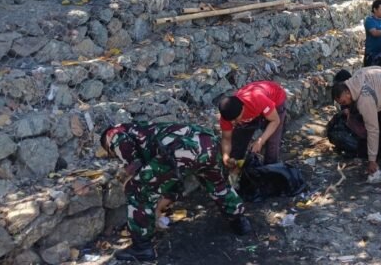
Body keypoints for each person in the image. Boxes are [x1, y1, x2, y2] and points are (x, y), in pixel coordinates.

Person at [100, 122, 251, 261]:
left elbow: (134, 162)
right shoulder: (144, 130)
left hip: (180, 150)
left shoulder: (113, 133)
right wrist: (158, 208)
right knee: (218, 184)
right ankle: (239, 221)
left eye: (110, 152)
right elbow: (170, 180)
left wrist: (129, 177)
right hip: (208, 141)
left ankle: (142, 248)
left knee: (136, 189)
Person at [218, 81, 287, 166]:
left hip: (276, 100)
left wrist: (260, 141)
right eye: (231, 120)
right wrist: (226, 156)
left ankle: (270, 168)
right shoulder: (228, 114)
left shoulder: (257, 100)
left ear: (243, 109)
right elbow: (226, 139)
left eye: (235, 119)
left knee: (272, 142)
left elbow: (275, 121)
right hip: (256, 108)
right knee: (239, 139)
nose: (233, 122)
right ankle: (237, 168)